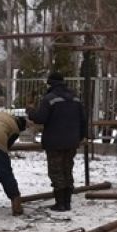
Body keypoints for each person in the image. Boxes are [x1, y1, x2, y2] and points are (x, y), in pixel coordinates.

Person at [28, 71, 87, 211]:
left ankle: (60, 203)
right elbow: (83, 120)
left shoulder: (49, 99)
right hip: (72, 142)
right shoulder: (75, 98)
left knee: (56, 172)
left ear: (50, 83)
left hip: (54, 143)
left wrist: (30, 111)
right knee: (67, 170)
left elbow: (40, 118)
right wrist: (79, 137)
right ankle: (67, 202)